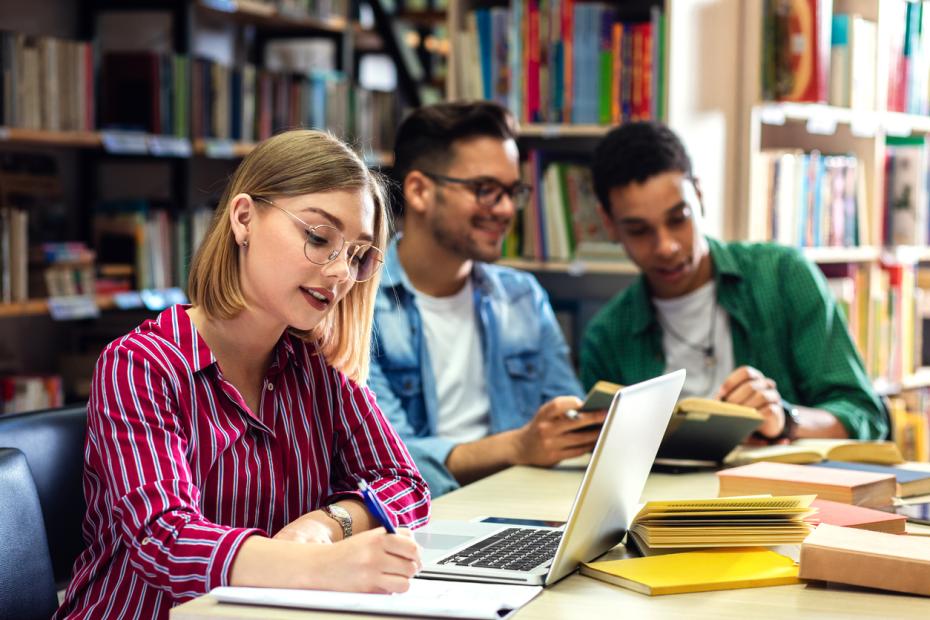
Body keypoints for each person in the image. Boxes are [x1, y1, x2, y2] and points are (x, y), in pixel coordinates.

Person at [54, 130, 430, 619]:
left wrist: (326, 525)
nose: (340, 273)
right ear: (244, 218)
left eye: (357, 255)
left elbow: (405, 484)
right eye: (319, 238)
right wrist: (320, 568)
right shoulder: (142, 364)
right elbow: (164, 539)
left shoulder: (316, 368)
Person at [581, 121, 887, 442]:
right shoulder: (607, 338)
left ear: (699, 195)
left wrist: (785, 421)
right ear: (610, 225)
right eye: (639, 230)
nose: (666, 246)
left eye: (678, 219)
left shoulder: (782, 276)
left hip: (783, 488)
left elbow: (864, 415)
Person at [368, 101, 603, 497]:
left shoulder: (522, 296)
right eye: (486, 190)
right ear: (420, 191)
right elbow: (385, 458)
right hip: (414, 517)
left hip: (522, 503)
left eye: (513, 191)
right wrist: (517, 447)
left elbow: (569, 418)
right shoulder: (359, 306)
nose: (507, 209)